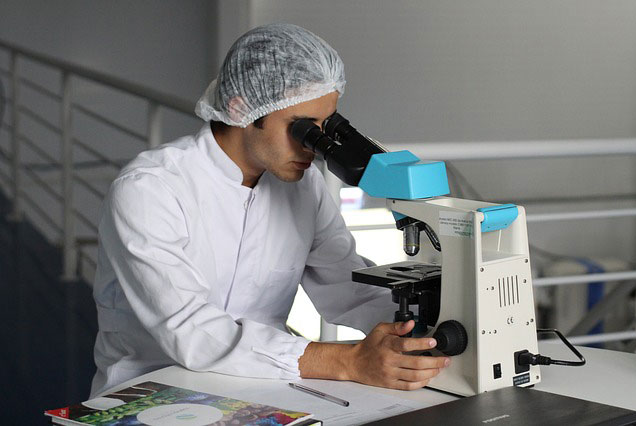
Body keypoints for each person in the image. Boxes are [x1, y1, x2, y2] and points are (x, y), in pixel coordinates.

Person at [90, 23, 449, 398]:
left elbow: (347, 288)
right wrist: (349, 361)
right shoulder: (151, 189)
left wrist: (422, 332)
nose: (315, 147)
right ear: (241, 108)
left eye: (326, 126)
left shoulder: (302, 186)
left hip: (263, 387)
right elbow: (191, 330)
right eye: (303, 129)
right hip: (152, 391)